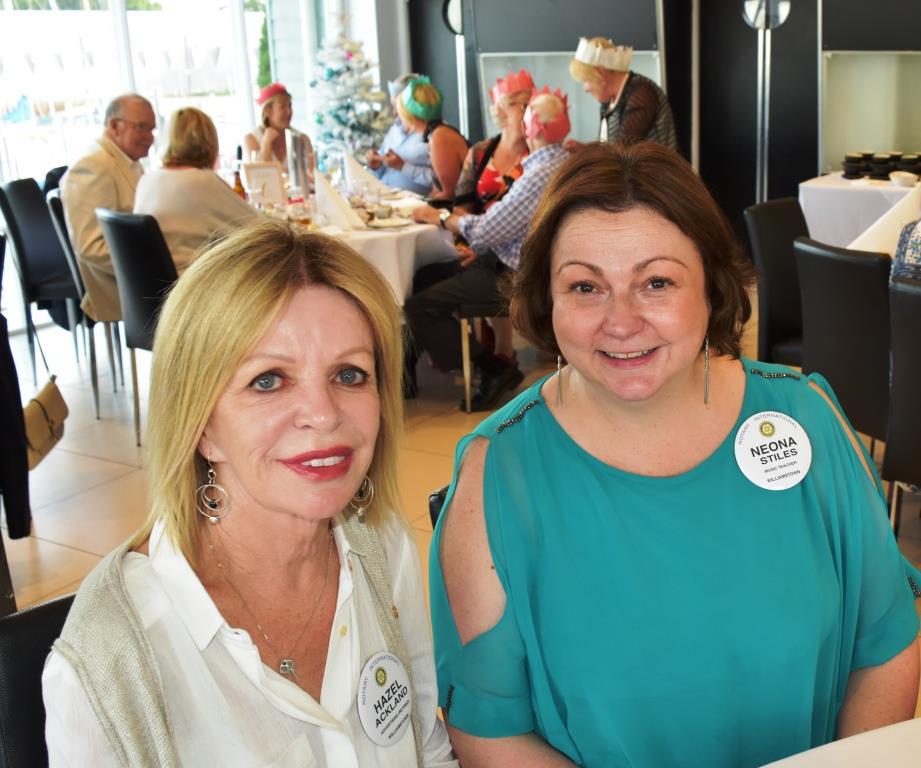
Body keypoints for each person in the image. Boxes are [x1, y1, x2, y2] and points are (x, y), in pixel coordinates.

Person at [429, 141, 920, 767]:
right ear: (548, 302)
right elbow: (490, 731)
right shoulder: (498, 476)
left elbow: (885, 644)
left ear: (711, 289)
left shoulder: (804, 418)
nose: (621, 322)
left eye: (656, 282)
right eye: (585, 286)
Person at [43, 221, 459, 768]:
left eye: (349, 374)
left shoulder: (382, 547)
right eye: (268, 380)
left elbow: (427, 748)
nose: (324, 414)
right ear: (201, 426)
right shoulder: (108, 664)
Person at [408, 88, 571, 411]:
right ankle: (410, 371)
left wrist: (440, 217)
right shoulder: (559, 162)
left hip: (514, 273)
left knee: (418, 307)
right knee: (424, 275)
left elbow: (485, 229)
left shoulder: (540, 174)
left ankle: (493, 368)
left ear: (533, 127)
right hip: (502, 256)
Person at [61, 93, 156, 322]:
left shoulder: (126, 161)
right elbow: (90, 246)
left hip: (138, 277)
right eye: (142, 127)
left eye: (152, 129)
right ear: (114, 126)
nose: (149, 137)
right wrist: (152, 268)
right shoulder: (93, 165)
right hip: (121, 289)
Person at [134, 107, 258, 273]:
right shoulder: (201, 181)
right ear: (210, 141)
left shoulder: (146, 180)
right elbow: (261, 228)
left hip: (158, 282)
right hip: (195, 282)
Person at [569, 36, 678, 150]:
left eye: (586, 80)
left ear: (600, 72)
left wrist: (588, 152)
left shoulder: (641, 92)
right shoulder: (609, 101)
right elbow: (611, 148)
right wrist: (584, 149)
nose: (585, 88)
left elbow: (621, 151)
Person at [395, 76, 468, 202]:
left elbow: (449, 196)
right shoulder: (438, 133)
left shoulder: (439, 138)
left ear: (411, 116)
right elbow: (438, 190)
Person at [365, 73, 434, 196]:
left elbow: (442, 182)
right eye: (393, 105)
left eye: (397, 106)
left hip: (415, 204)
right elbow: (382, 171)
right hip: (385, 199)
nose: (394, 112)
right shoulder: (395, 129)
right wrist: (376, 167)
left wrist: (403, 167)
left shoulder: (436, 134)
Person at [244, 82, 315, 174]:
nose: (289, 112)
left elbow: (311, 174)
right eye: (283, 107)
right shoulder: (251, 139)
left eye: (290, 106)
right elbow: (259, 175)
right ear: (267, 110)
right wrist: (266, 142)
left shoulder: (302, 139)